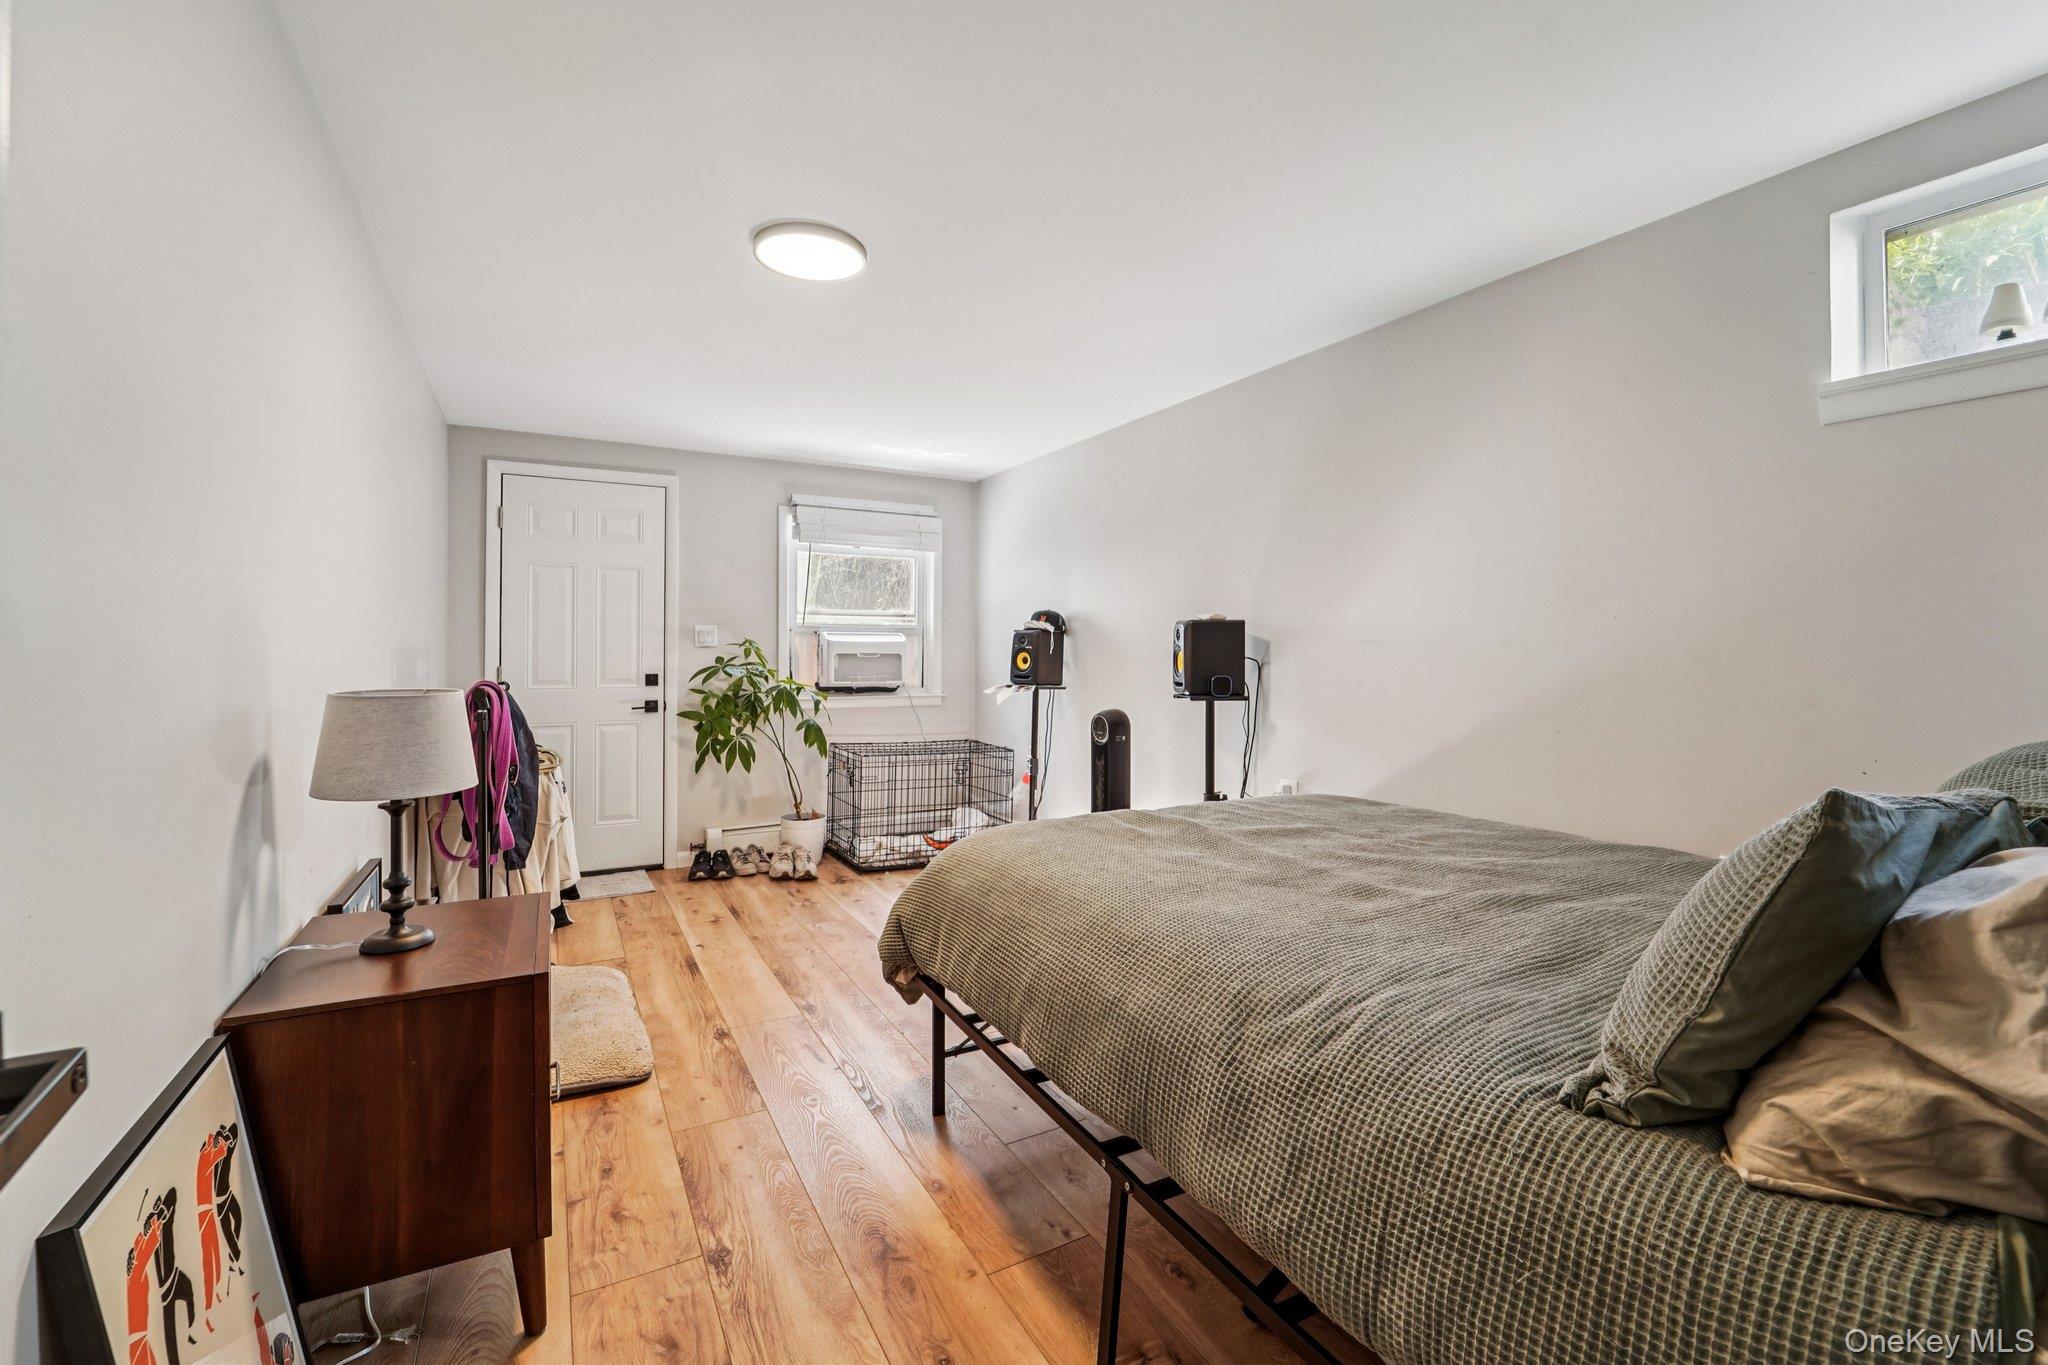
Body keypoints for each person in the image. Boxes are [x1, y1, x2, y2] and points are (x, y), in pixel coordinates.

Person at [148, 1188, 198, 1365]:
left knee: (190, 1293)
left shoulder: (166, 1215)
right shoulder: (153, 1226)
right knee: (170, 1336)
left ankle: (192, 1330)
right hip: (165, 1287)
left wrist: (163, 1211)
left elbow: (173, 1193)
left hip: (174, 1278)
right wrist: (154, 1219)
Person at [195, 1133, 225, 1322]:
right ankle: (208, 1304)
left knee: (215, 1256)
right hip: (205, 1215)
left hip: (208, 1213)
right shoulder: (205, 1159)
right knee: (210, 1260)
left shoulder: (205, 1157)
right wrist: (220, 1141)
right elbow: (222, 1151)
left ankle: (215, 1295)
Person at [126, 1220, 161, 1365]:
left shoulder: (136, 1277)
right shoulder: (136, 1276)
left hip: (140, 1340)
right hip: (139, 1341)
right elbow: (145, 1253)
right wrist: (155, 1230)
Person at [213, 1124, 246, 1273]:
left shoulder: (228, 1150)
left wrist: (225, 1137)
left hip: (228, 1194)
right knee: (227, 1233)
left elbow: (234, 1129)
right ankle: (236, 1260)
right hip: (220, 1202)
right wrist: (218, 1139)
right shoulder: (214, 1155)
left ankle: (234, 1258)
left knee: (238, 1218)